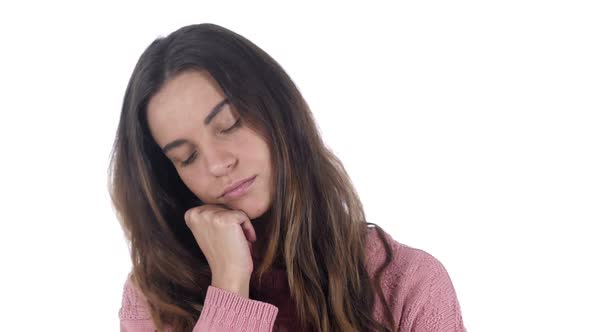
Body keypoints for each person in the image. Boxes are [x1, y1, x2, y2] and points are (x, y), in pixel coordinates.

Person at [110, 23, 466, 332]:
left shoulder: (406, 283)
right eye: (186, 157)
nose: (217, 164)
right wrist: (230, 284)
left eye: (229, 124)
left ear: (277, 111)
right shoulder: (154, 296)